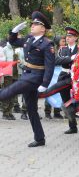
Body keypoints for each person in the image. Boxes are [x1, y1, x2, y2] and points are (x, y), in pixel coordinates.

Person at [0, 11, 55, 147]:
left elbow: (50, 66)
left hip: (35, 77)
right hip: (27, 73)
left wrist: (45, 83)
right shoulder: (29, 39)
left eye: (36, 24)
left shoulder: (47, 44)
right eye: (32, 23)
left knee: (10, 90)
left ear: (43, 28)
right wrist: (14, 31)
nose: (32, 26)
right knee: (31, 109)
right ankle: (40, 138)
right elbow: (13, 42)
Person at [39, 27, 79, 133]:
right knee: (66, 101)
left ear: (76, 38)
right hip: (64, 75)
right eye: (67, 36)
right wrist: (71, 58)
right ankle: (72, 126)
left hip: (76, 77)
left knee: (78, 99)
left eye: (70, 36)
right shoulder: (63, 49)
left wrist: (74, 58)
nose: (68, 38)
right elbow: (57, 60)